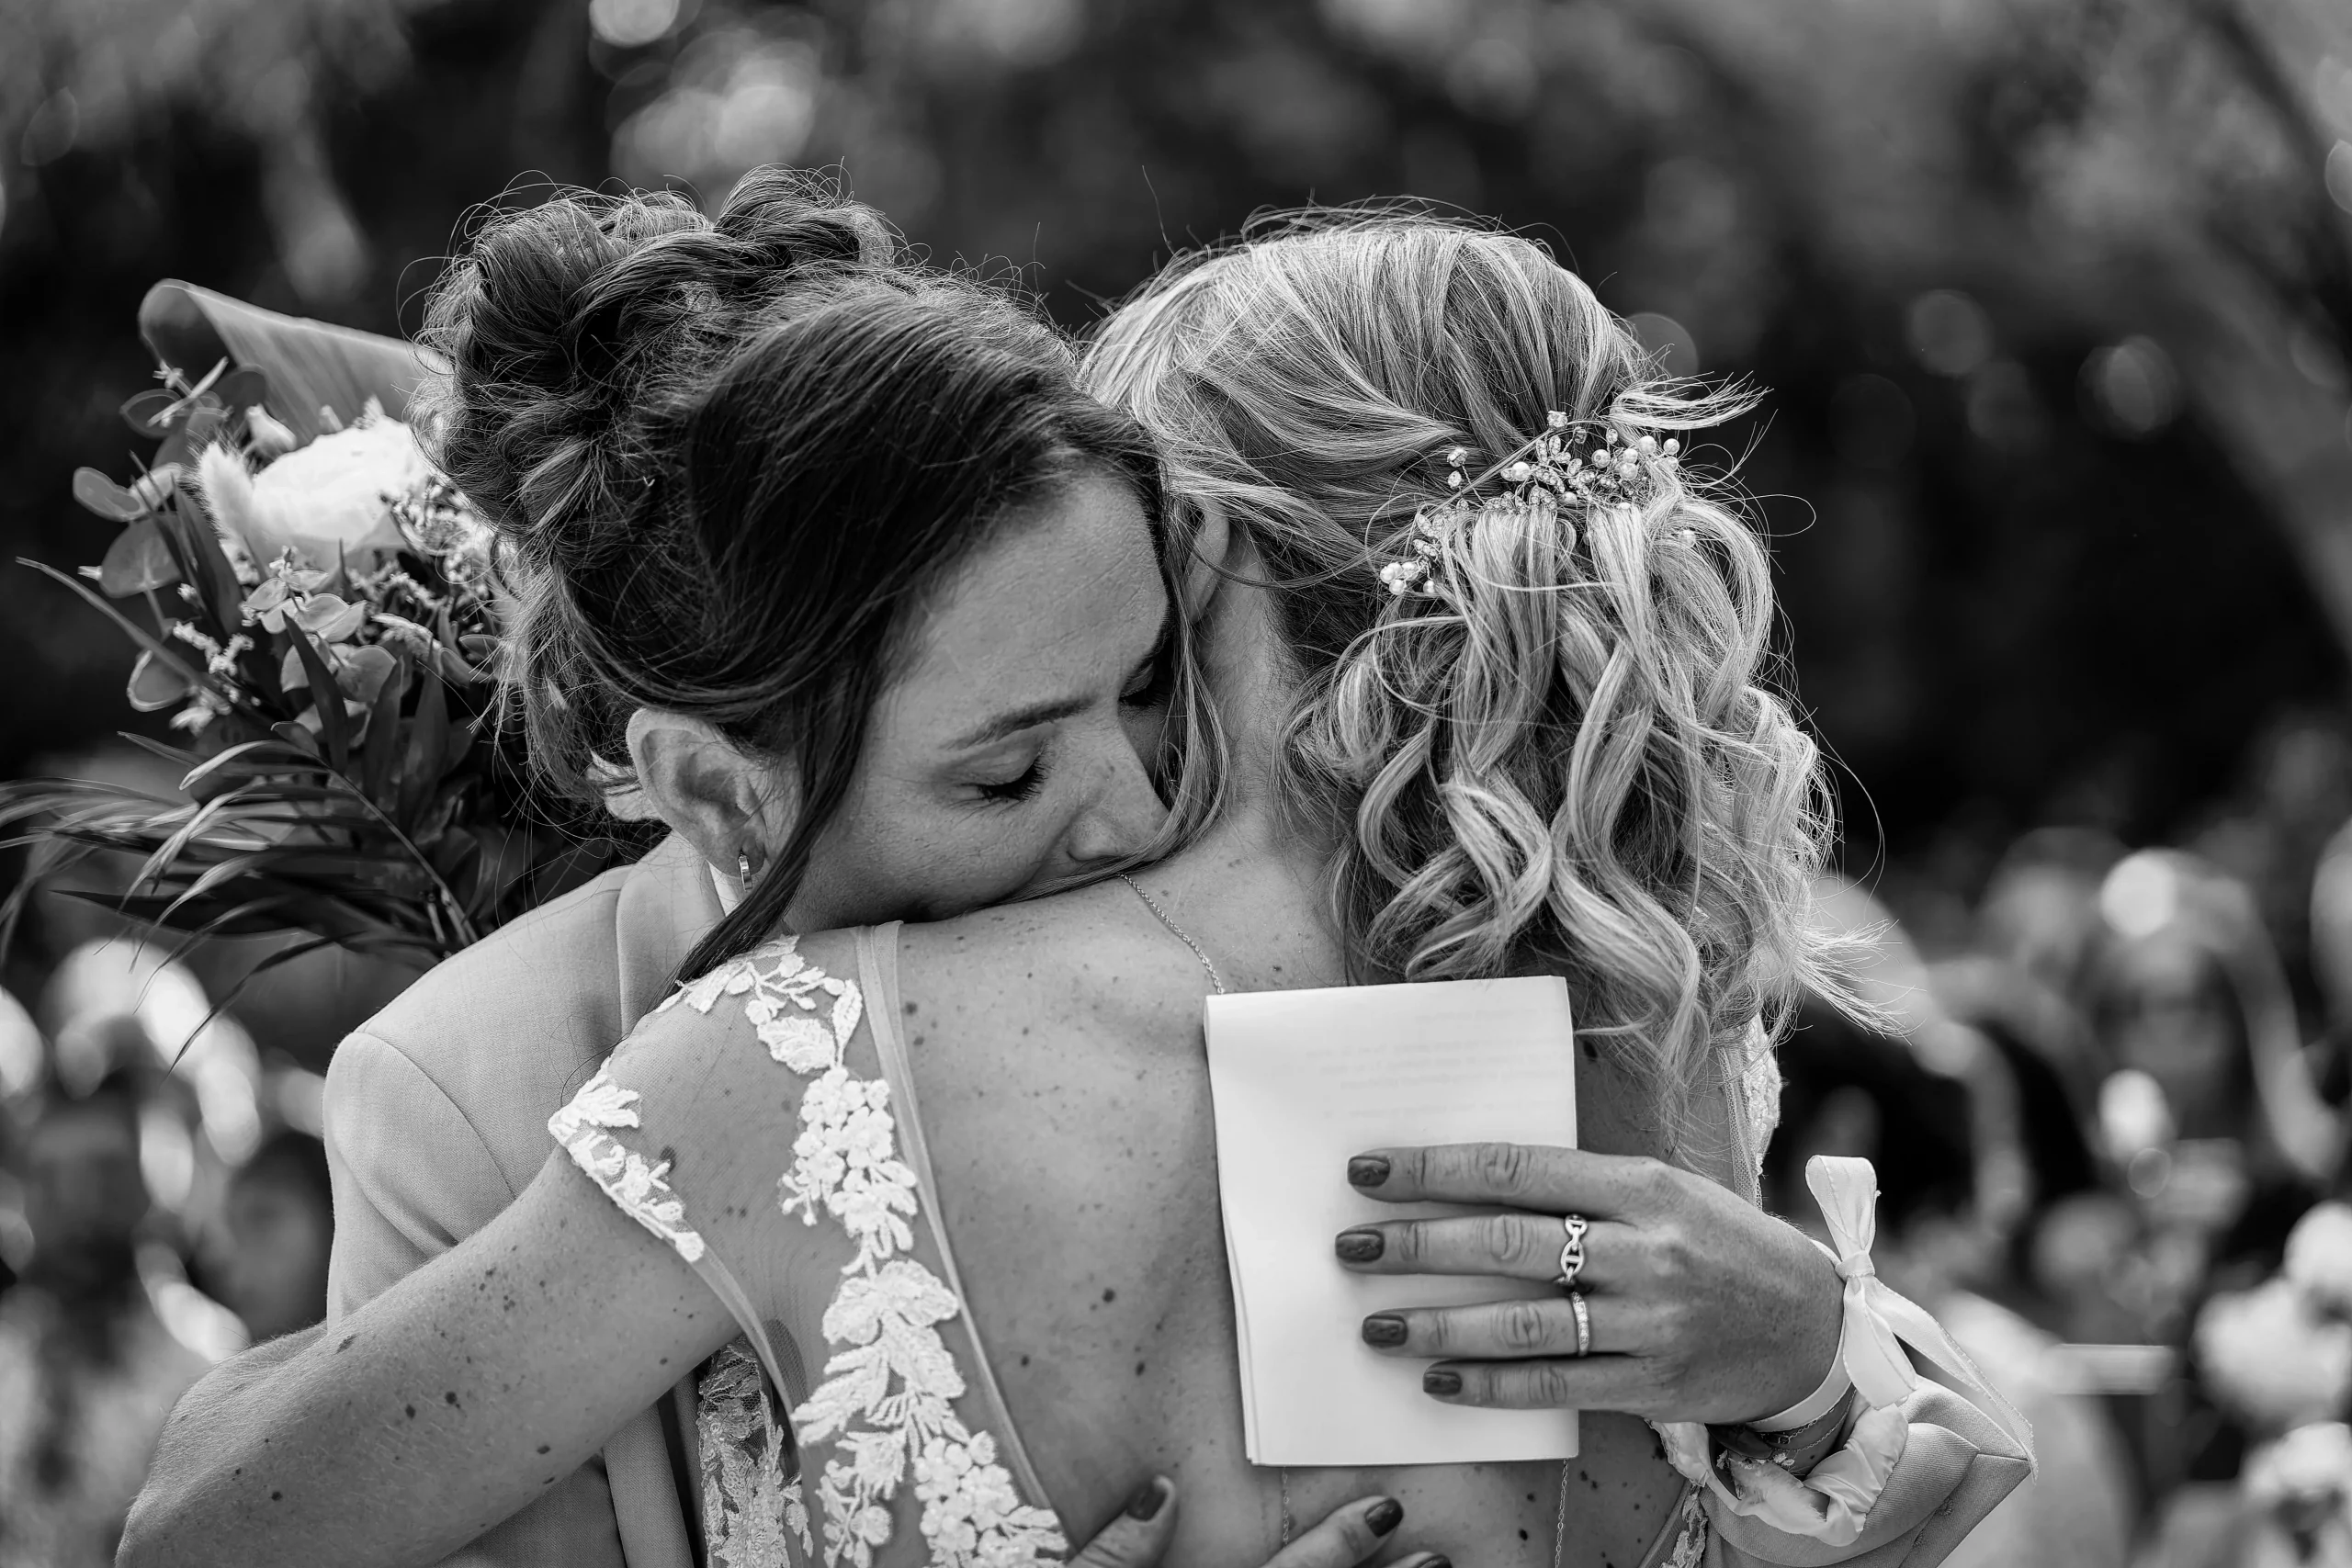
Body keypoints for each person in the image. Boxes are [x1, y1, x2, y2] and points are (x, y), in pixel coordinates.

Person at [124, 206, 2029, 1567]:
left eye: (1136, 682)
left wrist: (1808, 1363)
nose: (1113, 809)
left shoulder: (786, 1060)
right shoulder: (1639, 1007)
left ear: (1187, 564)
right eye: (1007, 765)